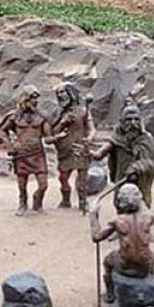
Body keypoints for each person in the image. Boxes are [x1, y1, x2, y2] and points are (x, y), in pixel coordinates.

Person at [89, 183, 154, 304]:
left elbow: (96, 237)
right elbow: (143, 207)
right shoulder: (149, 218)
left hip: (126, 265)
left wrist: (93, 215)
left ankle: (110, 293)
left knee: (107, 261)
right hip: (145, 265)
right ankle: (150, 281)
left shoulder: (117, 221)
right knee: (151, 256)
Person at [0, 85, 54, 216]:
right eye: (31, 98)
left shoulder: (42, 116)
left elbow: (48, 137)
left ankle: (38, 201)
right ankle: (23, 203)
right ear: (24, 99)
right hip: (21, 154)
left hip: (37, 154)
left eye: (36, 99)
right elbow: (2, 131)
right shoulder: (14, 117)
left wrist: (60, 134)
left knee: (43, 185)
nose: (35, 101)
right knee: (22, 184)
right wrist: (10, 146)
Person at [92, 103, 154, 208]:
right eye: (128, 120)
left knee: (141, 206)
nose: (133, 123)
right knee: (120, 204)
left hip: (140, 180)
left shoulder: (146, 139)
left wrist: (136, 168)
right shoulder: (116, 138)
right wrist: (89, 153)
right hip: (122, 177)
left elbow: (152, 164)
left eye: (136, 119)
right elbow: (100, 154)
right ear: (122, 121)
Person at [51, 82, 94, 212]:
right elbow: (52, 132)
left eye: (63, 92)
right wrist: (63, 122)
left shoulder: (83, 111)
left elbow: (91, 128)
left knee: (82, 179)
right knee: (63, 177)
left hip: (80, 148)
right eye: (58, 93)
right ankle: (65, 200)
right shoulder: (59, 113)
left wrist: (90, 138)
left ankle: (83, 201)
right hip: (65, 149)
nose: (60, 95)